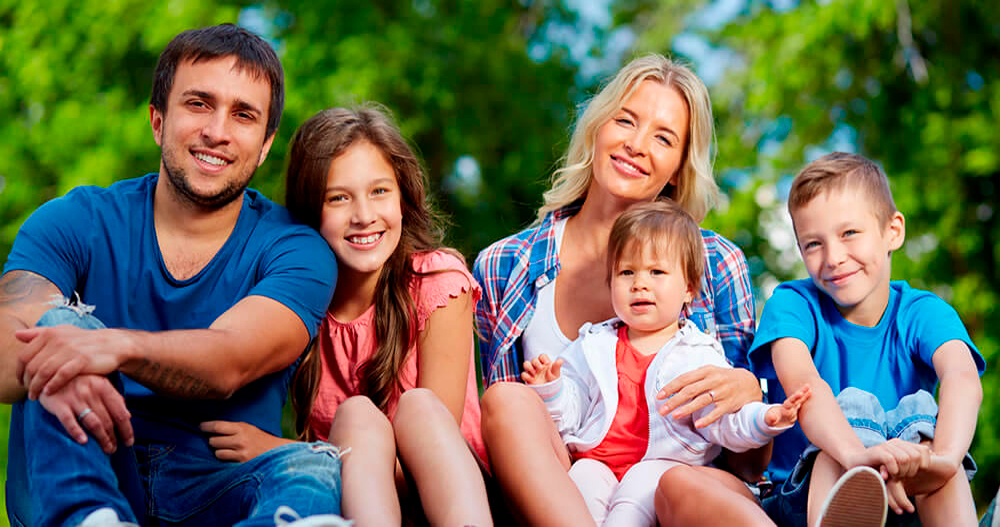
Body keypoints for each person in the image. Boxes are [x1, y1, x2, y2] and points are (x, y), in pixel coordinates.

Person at [0, 24, 347, 527]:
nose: (218, 131)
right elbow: (7, 343)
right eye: (199, 104)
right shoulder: (73, 220)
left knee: (313, 466)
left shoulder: (297, 250)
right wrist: (67, 348)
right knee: (59, 330)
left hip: (215, 486)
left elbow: (229, 359)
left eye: (243, 115)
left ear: (266, 144)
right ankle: (92, 518)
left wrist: (114, 347)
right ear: (158, 120)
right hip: (84, 460)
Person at [474, 53, 765, 525]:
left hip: (675, 490)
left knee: (679, 483)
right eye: (625, 120)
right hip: (565, 492)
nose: (636, 144)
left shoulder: (715, 263)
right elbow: (504, 443)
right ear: (596, 128)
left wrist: (749, 388)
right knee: (507, 400)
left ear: (677, 169)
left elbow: (750, 463)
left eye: (663, 137)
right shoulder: (503, 265)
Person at [198, 105, 493, 526]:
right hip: (359, 502)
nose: (363, 216)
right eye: (338, 198)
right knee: (357, 415)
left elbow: (430, 458)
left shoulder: (437, 283)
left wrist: (276, 450)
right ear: (308, 212)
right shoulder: (297, 305)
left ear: (403, 197)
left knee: (416, 408)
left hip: (450, 495)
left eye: (379, 192)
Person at [520, 200, 810, 526]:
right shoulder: (590, 345)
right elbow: (570, 418)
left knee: (635, 495)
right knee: (582, 481)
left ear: (689, 289)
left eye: (656, 272)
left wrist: (765, 418)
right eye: (626, 272)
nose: (639, 283)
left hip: (665, 465)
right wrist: (551, 389)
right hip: (596, 460)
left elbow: (723, 419)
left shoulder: (697, 353)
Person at [748, 152, 985, 527]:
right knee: (848, 423)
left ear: (893, 231)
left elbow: (961, 375)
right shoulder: (792, 305)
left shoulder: (923, 312)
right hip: (809, 494)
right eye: (813, 244)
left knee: (926, 441)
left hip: (906, 494)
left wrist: (944, 460)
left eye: (849, 234)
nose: (834, 257)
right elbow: (805, 386)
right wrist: (859, 458)